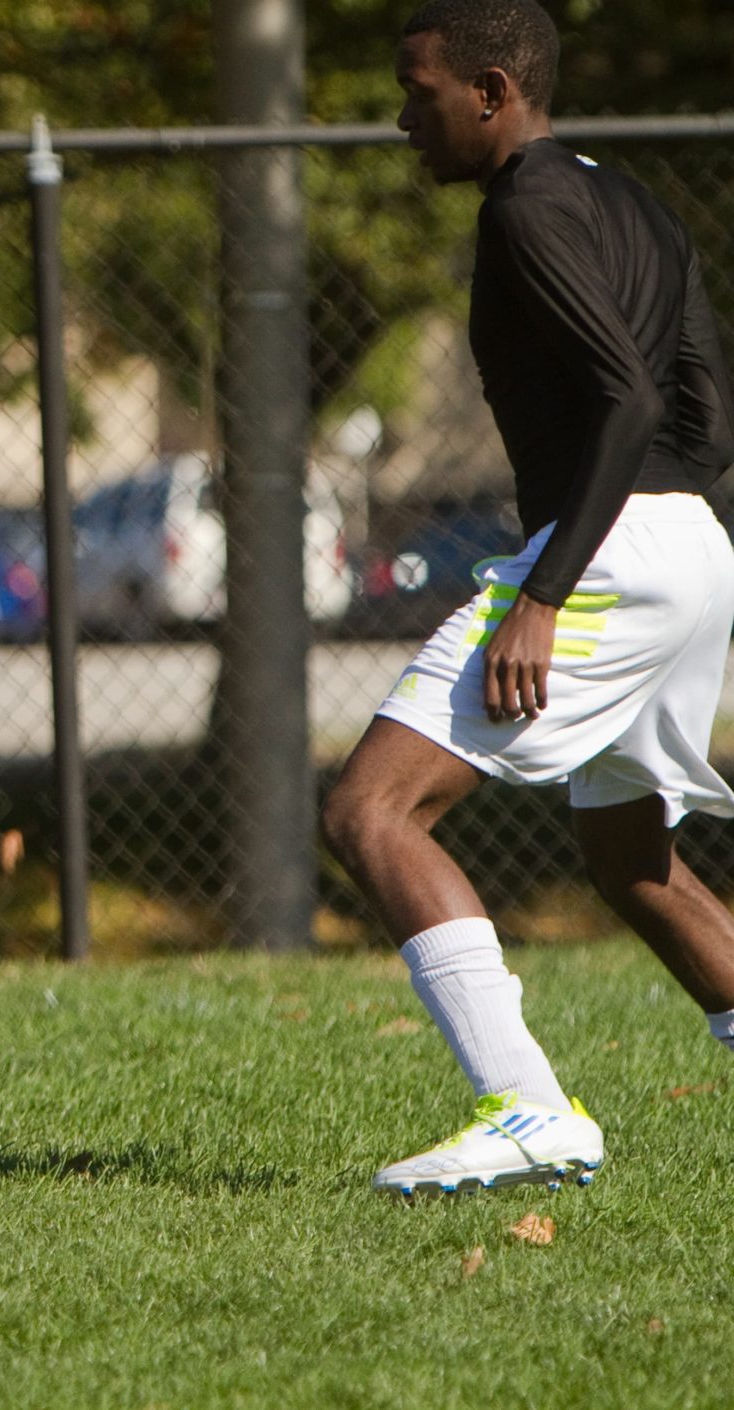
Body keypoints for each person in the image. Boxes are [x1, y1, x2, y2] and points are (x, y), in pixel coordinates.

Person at [323, 0, 734, 1195]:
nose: (404, 120)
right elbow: (705, 416)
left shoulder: (526, 209)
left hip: (598, 560)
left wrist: (545, 595)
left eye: (419, 93)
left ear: (492, 92)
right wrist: (658, 528)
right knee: (632, 860)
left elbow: (625, 402)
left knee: (369, 811)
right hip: (689, 549)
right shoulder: (632, 201)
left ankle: (525, 1108)